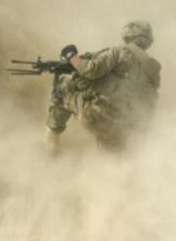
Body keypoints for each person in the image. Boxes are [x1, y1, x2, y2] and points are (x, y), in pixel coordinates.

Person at [46, 20, 161, 152]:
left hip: (99, 117)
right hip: (127, 128)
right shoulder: (153, 68)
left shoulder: (118, 53)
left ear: (128, 36)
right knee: (112, 164)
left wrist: (71, 56)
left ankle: (52, 139)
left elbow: (89, 70)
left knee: (63, 85)